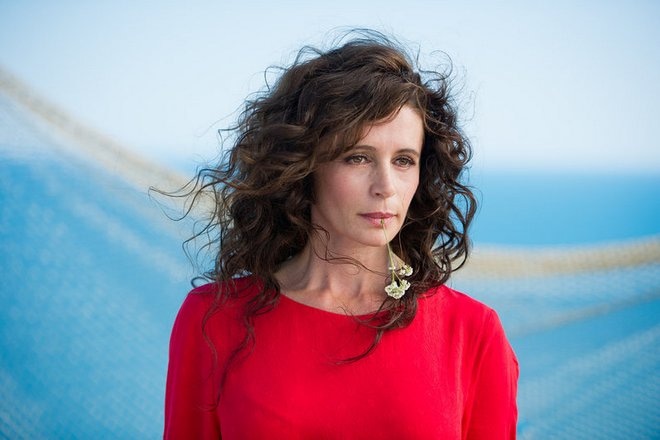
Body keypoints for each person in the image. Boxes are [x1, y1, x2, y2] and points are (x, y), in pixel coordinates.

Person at [164, 30, 518, 439]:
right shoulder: (213, 319)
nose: (386, 186)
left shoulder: (472, 332)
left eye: (404, 160)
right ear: (304, 166)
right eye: (358, 157)